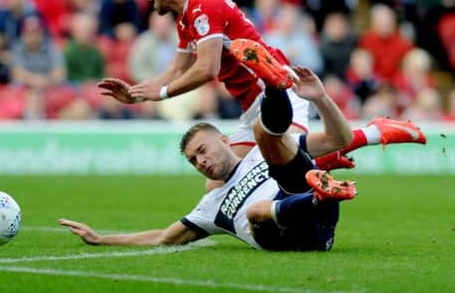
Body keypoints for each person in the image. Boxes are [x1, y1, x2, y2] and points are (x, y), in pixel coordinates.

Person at [60, 66, 359, 251]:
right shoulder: (209, 208)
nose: (200, 162)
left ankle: (273, 85)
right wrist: (101, 239)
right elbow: (164, 238)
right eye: (193, 161)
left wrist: (320, 97)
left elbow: (340, 140)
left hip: (314, 209)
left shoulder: (257, 153)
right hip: (296, 236)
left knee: (265, 134)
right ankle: (322, 196)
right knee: (256, 211)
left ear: (226, 140)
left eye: (202, 151)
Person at [99, 0, 308, 160]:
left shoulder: (203, 4)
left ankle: (327, 154)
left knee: (288, 165)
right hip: (253, 107)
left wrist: (162, 94)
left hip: (277, 93)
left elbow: (208, 68)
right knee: (219, 184)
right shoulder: (184, 17)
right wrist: (137, 95)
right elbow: (178, 70)